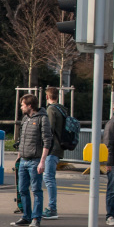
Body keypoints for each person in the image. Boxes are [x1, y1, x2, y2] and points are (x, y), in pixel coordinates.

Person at [13, 93, 54, 227]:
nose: (21, 107)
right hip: (24, 160)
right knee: (23, 190)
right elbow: (21, 140)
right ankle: (26, 216)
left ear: (30, 105)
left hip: (35, 160)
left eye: (23, 105)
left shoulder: (43, 119)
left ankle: (36, 218)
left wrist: (42, 161)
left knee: (36, 190)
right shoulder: (25, 119)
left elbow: (47, 141)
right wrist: (19, 156)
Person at [43, 87, 67, 220]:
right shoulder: (62, 109)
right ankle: (52, 207)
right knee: (49, 177)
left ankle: (52, 208)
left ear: (47, 97)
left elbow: (49, 130)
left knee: (49, 178)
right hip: (58, 148)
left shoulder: (51, 110)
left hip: (52, 148)